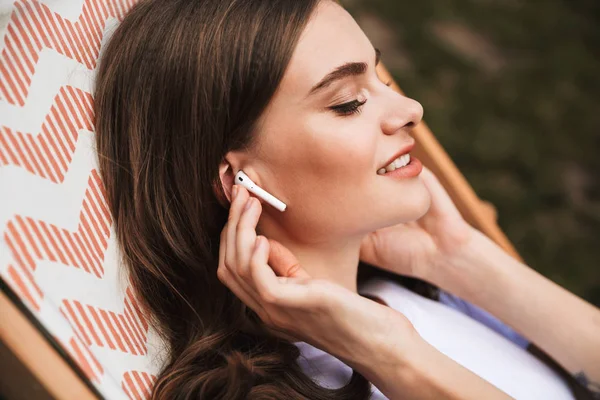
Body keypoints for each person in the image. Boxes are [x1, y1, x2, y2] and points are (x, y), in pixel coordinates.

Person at [93, 0, 600, 398]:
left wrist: (463, 260)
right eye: (349, 103)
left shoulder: (419, 288)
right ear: (237, 182)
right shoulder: (277, 390)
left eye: (381, 78)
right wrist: (385, 355)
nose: (411, 107)